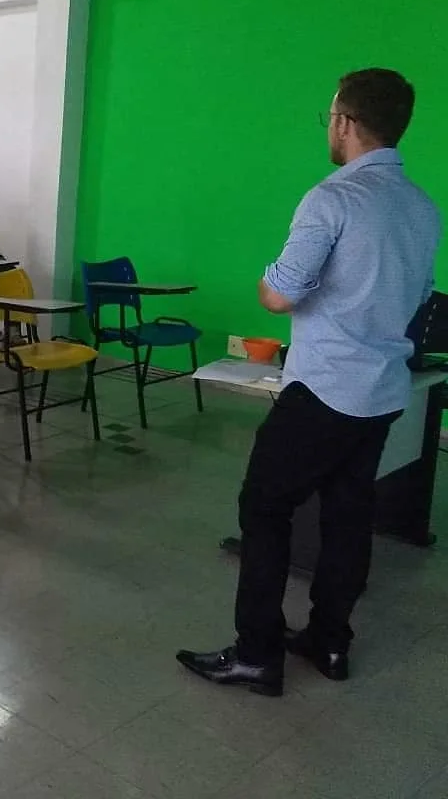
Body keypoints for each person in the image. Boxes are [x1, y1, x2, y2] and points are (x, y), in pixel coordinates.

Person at [177, 69, 441, 697]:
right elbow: (421, 298)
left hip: (324, 388)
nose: (328, 127)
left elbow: (278, 294)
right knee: (349, 515)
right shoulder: (422, 206)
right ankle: (329, 642)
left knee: (264, 507)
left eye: (329, 116)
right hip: (382, 391)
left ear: (346, 122)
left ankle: (257, 654)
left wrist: (284, 283)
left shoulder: (332, 198)